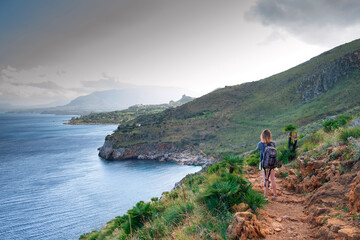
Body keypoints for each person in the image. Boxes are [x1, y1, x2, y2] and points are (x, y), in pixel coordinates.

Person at [256, 129, 277, 200]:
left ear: (262, 136)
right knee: (273, 179)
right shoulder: (273, 143)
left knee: (266, 179)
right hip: (272, 164)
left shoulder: (260, 144)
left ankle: (265, 197)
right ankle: (275, 195)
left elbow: (258, 149)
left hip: (263, 164)